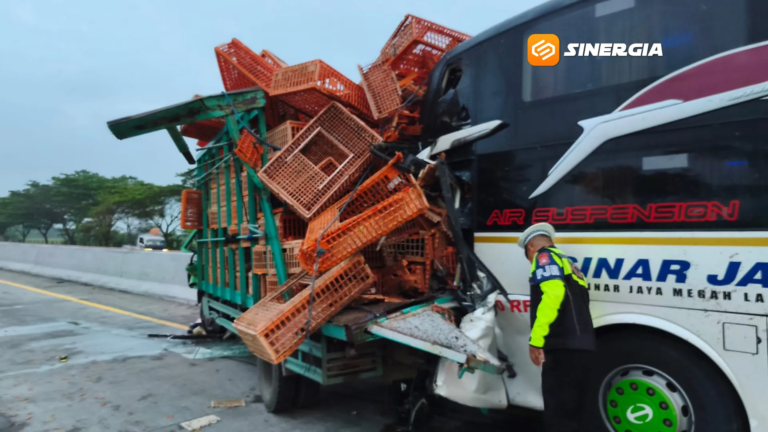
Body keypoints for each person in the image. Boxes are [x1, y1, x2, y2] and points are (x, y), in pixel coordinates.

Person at [517, 223, 595, 432]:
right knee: (574, 413)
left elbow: (553, 294)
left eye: (528, 256)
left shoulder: (544, 257)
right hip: (583, 346)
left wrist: (536, 340)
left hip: (562, 346)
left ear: (531, 247)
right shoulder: (570, 265)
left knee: (558, 413)